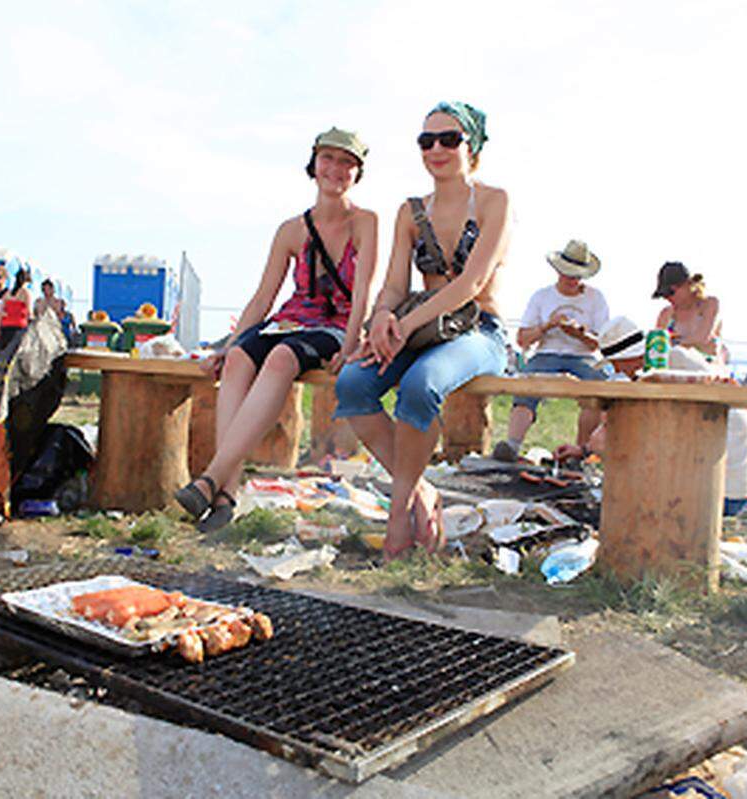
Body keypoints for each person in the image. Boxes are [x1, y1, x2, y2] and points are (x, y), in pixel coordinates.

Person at [175, 127, 378, 533]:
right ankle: (225, 495)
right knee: (236, 361)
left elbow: (364, 294)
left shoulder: (366, 222)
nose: (335, 170)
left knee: (283, 359)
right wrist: (227, 345)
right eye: (329, 159)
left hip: (335, 324)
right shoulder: (291, 230)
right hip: (292, 319)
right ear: (314, 163)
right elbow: (263, 297)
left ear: (357, 173)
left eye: (347, 163)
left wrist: (352, 344)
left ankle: (211, 478)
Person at [335, 102, 510, 559]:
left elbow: (471, 284)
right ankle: (420, 492)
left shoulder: (495, 201)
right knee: (353, 384)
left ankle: (397, 513)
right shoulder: (411, 212)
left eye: (449, 139)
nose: (437, 148)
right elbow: (394, 284)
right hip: (419, 331)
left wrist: (403, 325)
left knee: (420, 386)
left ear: (472, 146)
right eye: (426, 140)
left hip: (478, 330)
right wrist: (381, 323)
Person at [555, 316, 747, 515]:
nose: (617, 368)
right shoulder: (667, 364)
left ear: (631, 357)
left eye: (618, 362)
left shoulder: (670, 366)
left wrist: (592, 447)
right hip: (731, 487)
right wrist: (583, 450)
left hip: (720, 493)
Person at [492, 239, 608, 462]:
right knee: (527, 384)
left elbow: (599, 344)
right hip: (547, 354)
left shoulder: (596, 298)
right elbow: (523, 339)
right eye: (568, 274)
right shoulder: (542, 296)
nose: (572, 280)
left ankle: (581, 452)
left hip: (582, 356)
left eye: (577, 275)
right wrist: (548, 326)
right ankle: (512, 446)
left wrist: (579, 333)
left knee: (597, 389)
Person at [652, 261, 724, 362]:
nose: (668, 298)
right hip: (674, 372)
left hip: (706, 372)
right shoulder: (665, 314)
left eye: (670, 292)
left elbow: (701, 338)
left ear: (688, 284)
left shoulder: (709, 304)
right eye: (664, 295)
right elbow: (655, 348)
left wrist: (671, 342)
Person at [0, 267, 32, 350]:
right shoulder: (25, 293)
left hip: (6, 325)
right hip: (19, 326)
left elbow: (1, 311)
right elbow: (29, 312)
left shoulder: (8, 293)